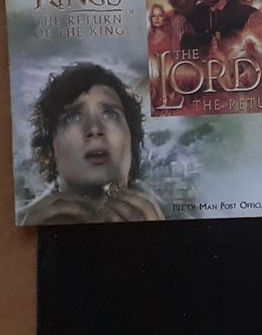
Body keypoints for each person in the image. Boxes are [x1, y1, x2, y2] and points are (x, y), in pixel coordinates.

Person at [19, 62, 165, 225]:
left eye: (110, 115)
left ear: (132, 139)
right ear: (49, 151)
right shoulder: (21, 223)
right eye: (73, 117)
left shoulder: (176, 217)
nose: (95, 129)